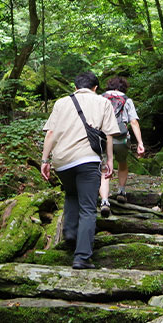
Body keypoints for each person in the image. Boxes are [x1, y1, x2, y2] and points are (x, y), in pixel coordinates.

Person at [40, 71, 120, 269]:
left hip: (62, 161)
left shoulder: (61, 103)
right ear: (95, 88)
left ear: (75, 87)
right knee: (87, 207)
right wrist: (109, 160)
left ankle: (70, 234)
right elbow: (109, 134)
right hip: (87, 160)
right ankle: (82, 257)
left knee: (71, 194)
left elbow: (50, 133)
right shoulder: (103, 103)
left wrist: (44, 160)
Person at [98, 75, 145, 216]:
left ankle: (105, 201)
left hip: (103, 137)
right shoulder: (127, 100)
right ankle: (121, 191)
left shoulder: (100, 98)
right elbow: (134, 122)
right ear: (124, 87)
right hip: (121, 138)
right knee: (123, 163)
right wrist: (140, 143)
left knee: (104, 168)